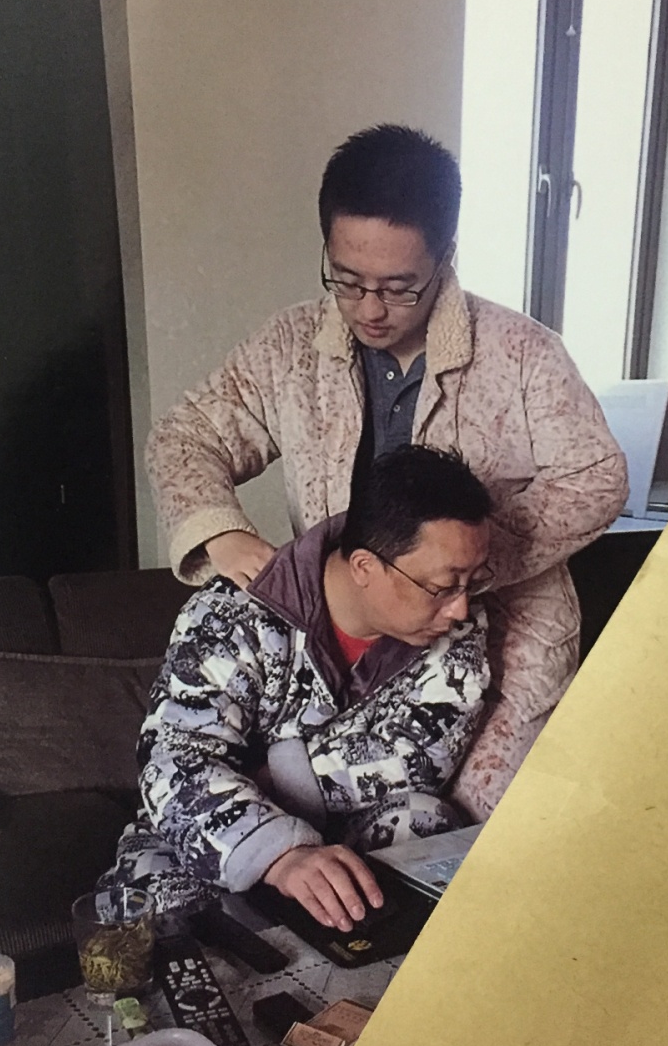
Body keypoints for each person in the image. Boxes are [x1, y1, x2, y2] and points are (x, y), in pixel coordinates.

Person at [146, 124, 628, 819]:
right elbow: (185, 436)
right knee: (329, 829)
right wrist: (219, 532)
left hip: (506, 650)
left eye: (400, 288)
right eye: (348, 281)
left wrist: (451, 572)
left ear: (444, 256)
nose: (370, 309)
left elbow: (597, 475)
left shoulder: (522, 353)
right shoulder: (287, 347)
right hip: (346, 644)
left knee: (465, 840)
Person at [102, 445, 493, 932]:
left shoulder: (458, 630)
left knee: (426, 818)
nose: (460, 608)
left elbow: (422, 755)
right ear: (365, 567)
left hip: (347, 827)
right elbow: (175, 758)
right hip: (217, 833)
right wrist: (280, 853)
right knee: (152, 908)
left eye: (473, 581)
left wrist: (281, 772)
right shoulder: (234, 613)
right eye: (443, 586)